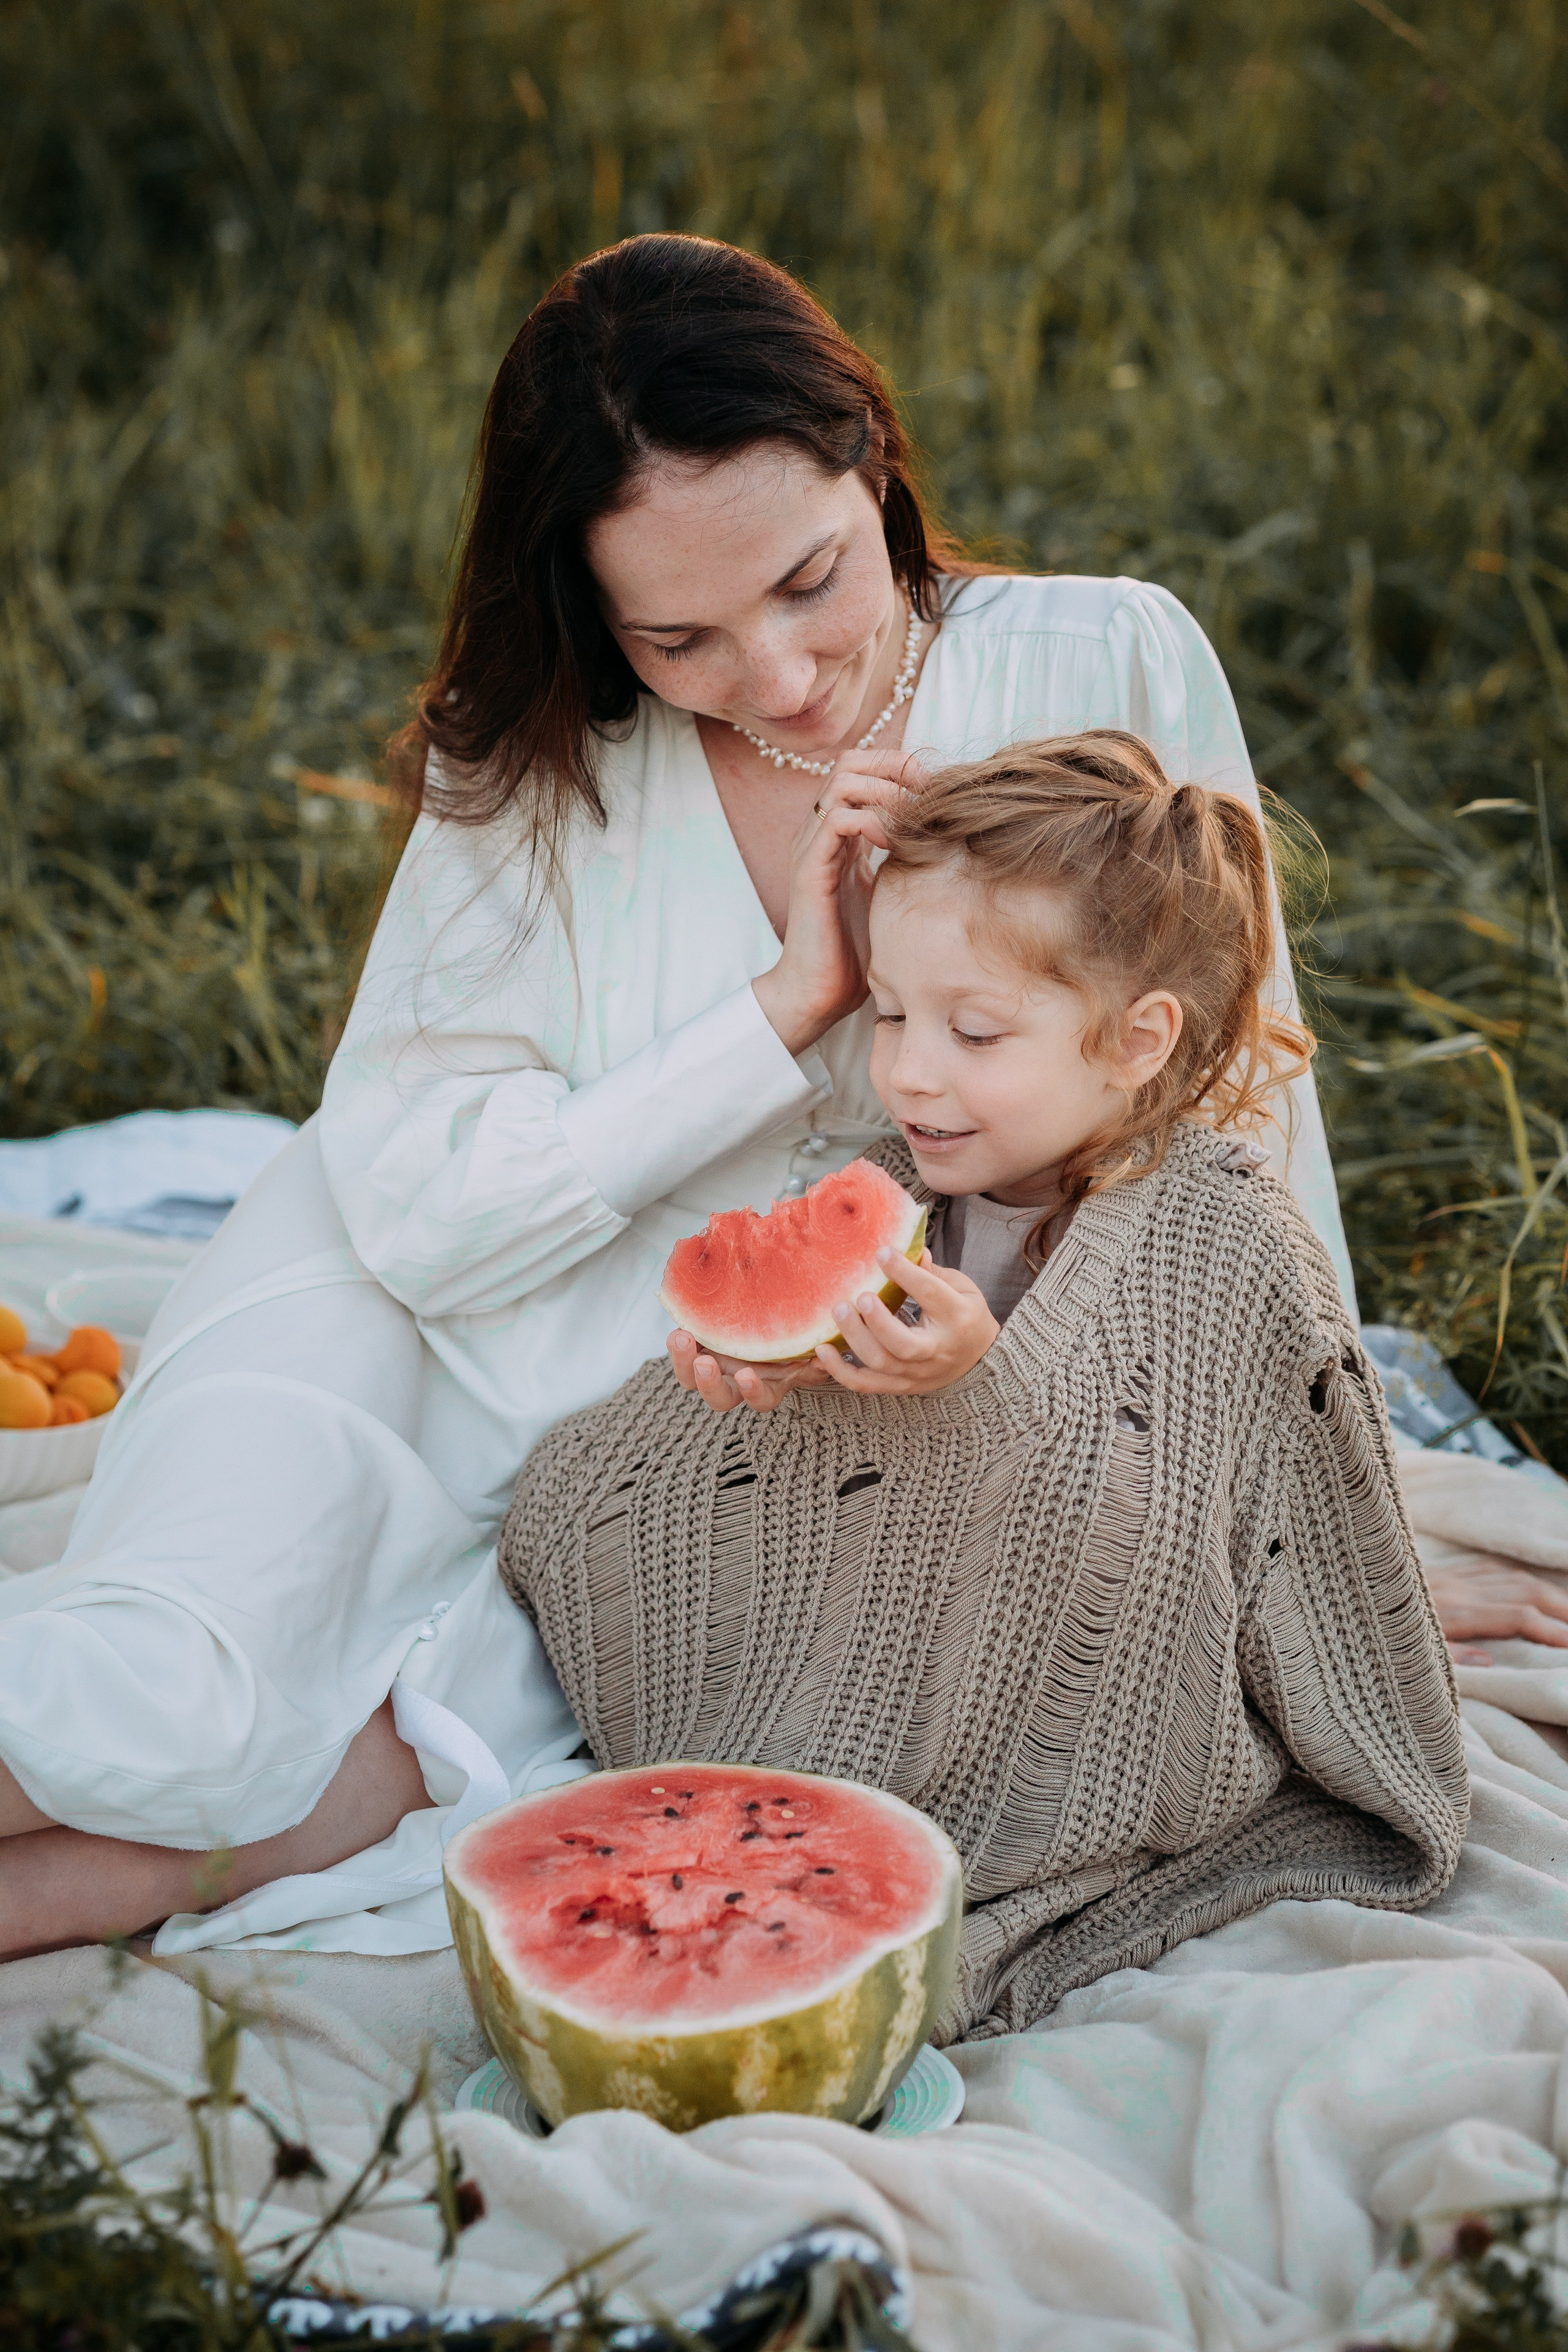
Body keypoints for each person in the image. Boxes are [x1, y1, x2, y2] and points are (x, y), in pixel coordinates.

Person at [0, 232, 1502, 1964]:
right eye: (681, 637)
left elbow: (1235, 1114)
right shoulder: (540, 756)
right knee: (168, 1718)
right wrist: (790, 1003)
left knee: (275, 1822)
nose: (781, 678)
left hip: (709, 1450)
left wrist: (1304, 1515)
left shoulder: (1109, 662)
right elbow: (416, 1208)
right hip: (390, 1331)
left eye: (810, 582)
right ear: (588, 610)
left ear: (874, 462)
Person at [499, 731, 1468, 2038]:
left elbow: (1170, 1534)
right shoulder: (896, 1190)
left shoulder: (1225, 1241)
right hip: (850, 1682)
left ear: (1135, 1041)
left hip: (1081, 1735)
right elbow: (781, 1492)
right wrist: (748, 1391)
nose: (907, 1072)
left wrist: (978, 1389)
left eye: (973, 1030)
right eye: (890, 1014)